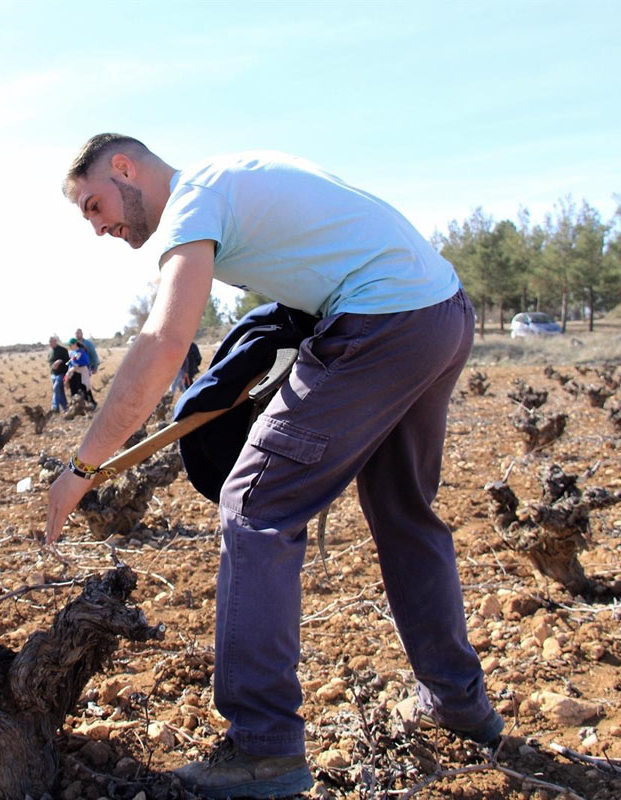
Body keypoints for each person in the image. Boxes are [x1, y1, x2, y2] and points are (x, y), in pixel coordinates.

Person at [45, 134, 501, 798]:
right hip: (440, 311)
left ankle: (262, 747)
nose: (100, 226)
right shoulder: (233, 177)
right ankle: (458, 702)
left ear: (123, 167)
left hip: (382, 318)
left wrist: (83, 467)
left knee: (256, 507)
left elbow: (165, 339)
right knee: (404, 514)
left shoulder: (193, 200)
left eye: (95, 205)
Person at [64, 337, 97, 407]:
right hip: (74, 373)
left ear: (75, 344)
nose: (69, 346)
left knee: (84, 388)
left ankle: (91, 404)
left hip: (82, 373)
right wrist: (68, 373)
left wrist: (78, 365)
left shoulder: (81, 351)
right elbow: (70, 363)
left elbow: (86, 362)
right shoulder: (71, 353)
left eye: (70, 345)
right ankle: (76, 406)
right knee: (74, 389)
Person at [47, 335, 69, 412]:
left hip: (61, 374)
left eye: (51, 341)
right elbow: (49, 362)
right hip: (53, 374)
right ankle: (65, 407)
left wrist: (60, 361)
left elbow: (68, 361)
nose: (49, 343)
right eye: (49, 341)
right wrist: (53, 365)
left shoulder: (63, 350)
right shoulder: (50, 351)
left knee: (56, 388)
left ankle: (55, 406)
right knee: (60, 391)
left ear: (55, 341)